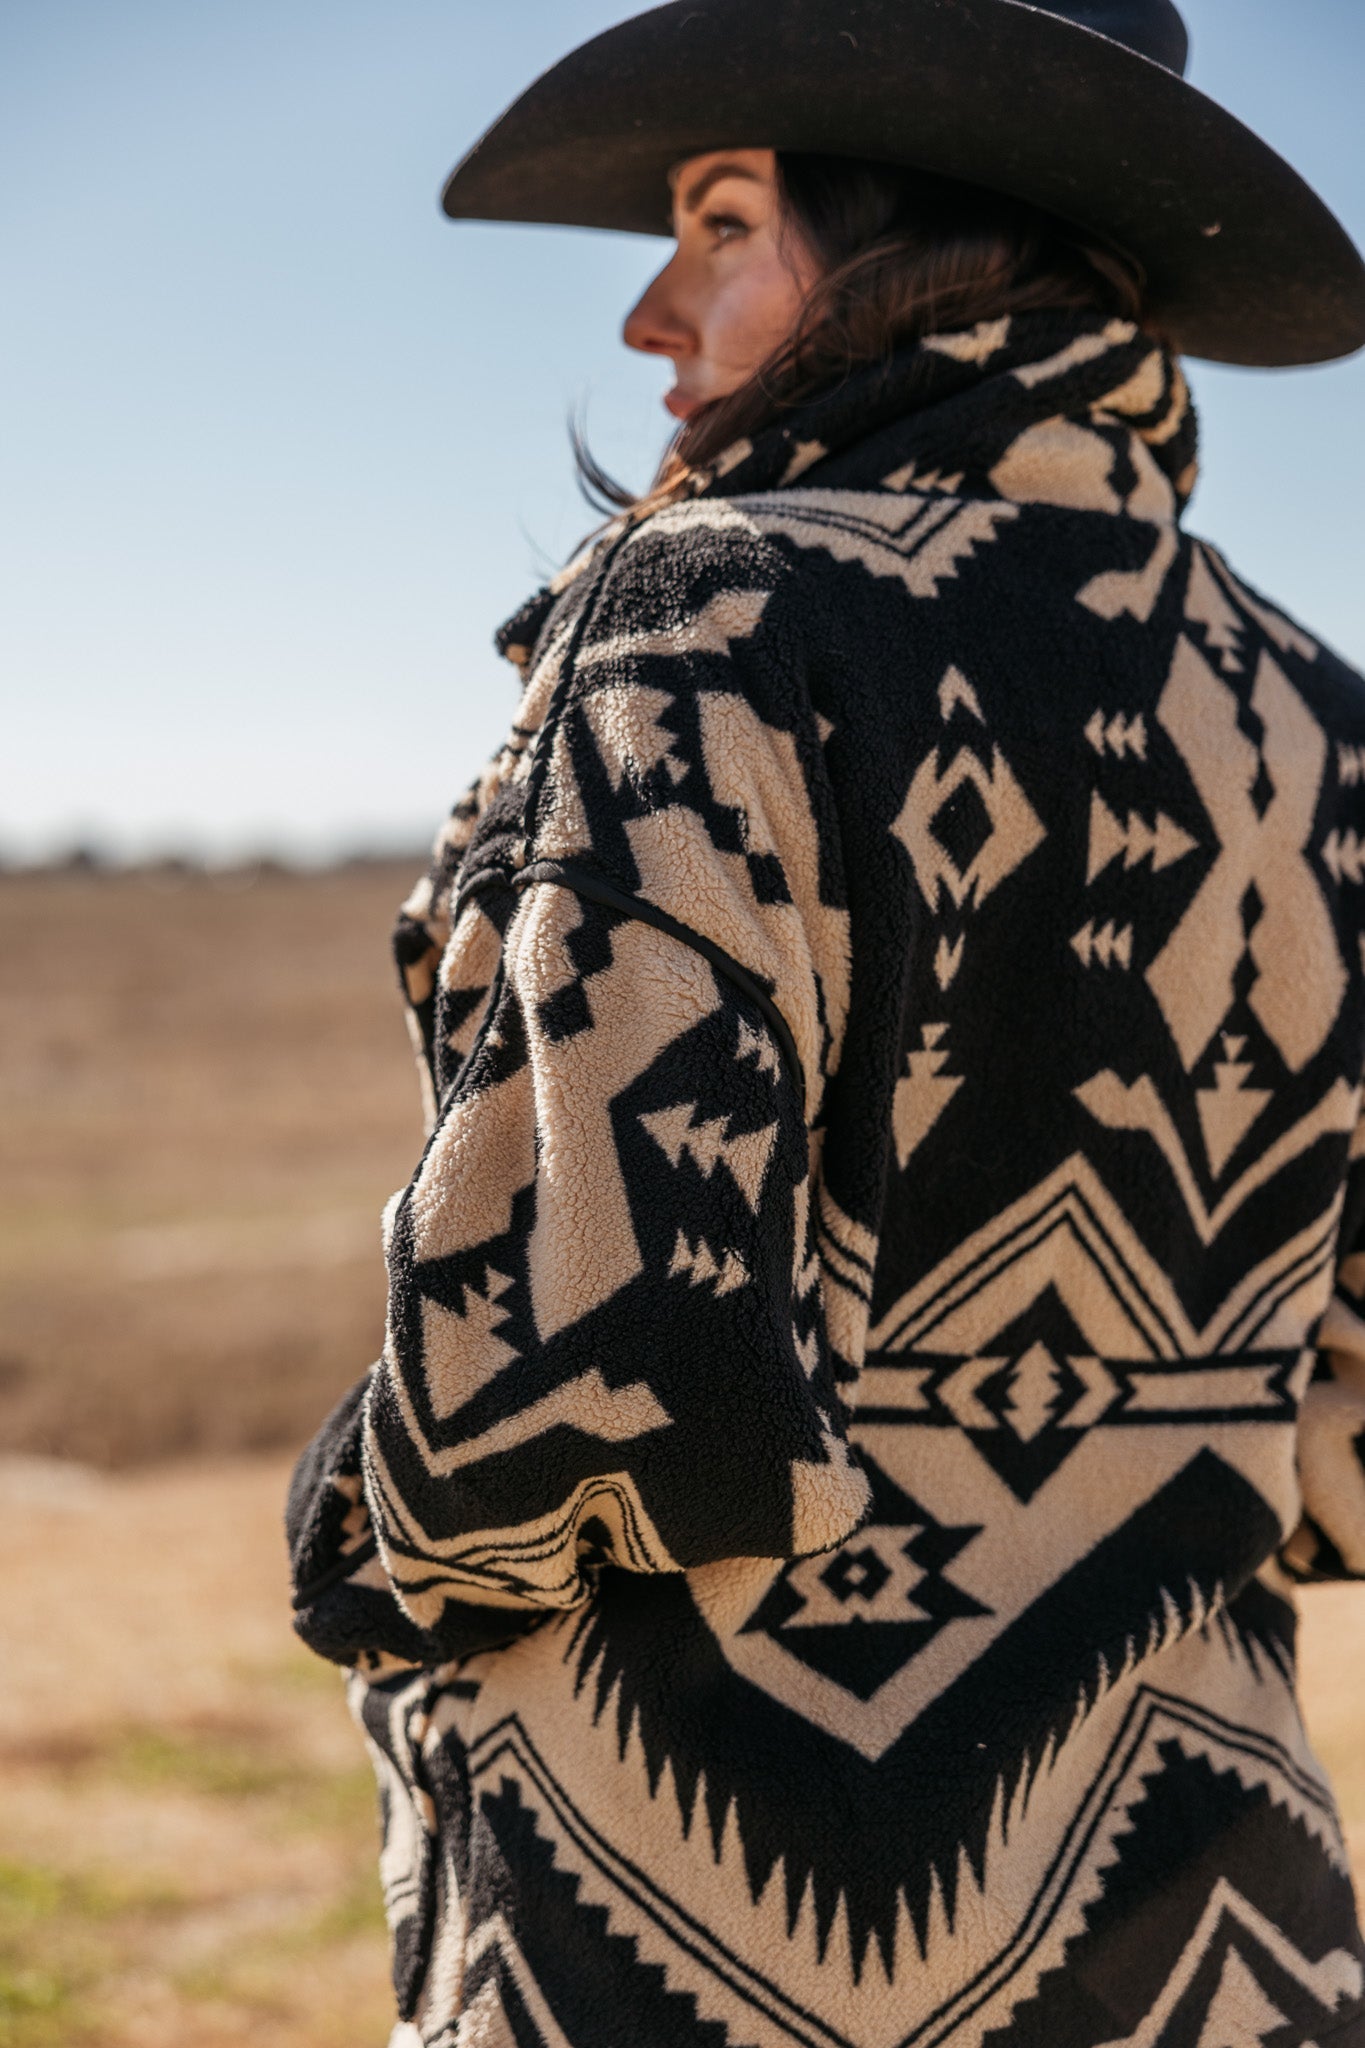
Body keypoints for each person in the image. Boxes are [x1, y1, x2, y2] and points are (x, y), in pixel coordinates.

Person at [287, 3, 1365, 2042]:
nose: (645, 314)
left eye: (714, 221)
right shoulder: (1320, 714)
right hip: (1217, 1922)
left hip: (692, 1922)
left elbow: (582, 1389)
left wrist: (359, 1542)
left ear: (915, 236)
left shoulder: (713, 615)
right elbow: (1345, 1443)